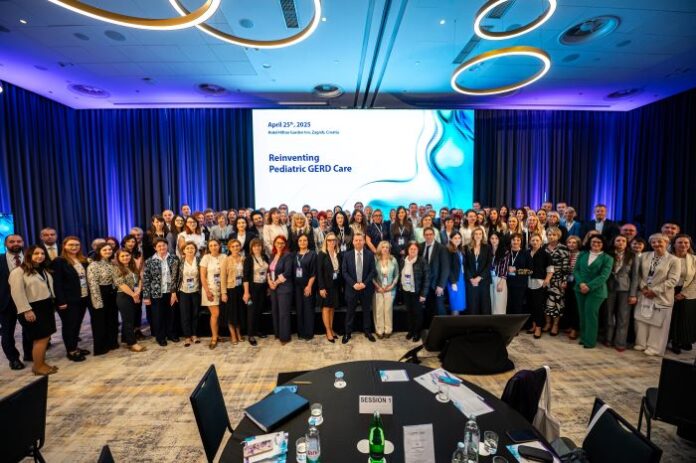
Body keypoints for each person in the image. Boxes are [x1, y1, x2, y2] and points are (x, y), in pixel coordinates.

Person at [629, 234, 681, 356]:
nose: (656, 244)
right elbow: (638, 275)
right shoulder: (644, 256)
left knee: (657, 323)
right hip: (644, 293)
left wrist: (654, 291)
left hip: (662, 296)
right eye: (653, 242)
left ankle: (654, 348)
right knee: (641, 320)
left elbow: (673, 280)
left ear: (667, 243)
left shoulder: (674, 260)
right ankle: (641, 343)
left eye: (659, 241)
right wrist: (644, 288)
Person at [9, 246, 58, 375]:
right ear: (29, 255)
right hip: (32, 308)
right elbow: (17, 293)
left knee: (45, 337)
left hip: (45, 307)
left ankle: (41, 363)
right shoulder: (18, 272)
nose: (40, 256)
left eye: (42, 253)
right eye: (36, 253)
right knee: (40, 339)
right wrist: (26, 310)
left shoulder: (42, 269)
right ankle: (38, 367)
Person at [52, 236, 91, 362]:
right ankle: (71, 350)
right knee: (69, 325)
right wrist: (61, 301)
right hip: (68, 300)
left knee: (77, 324)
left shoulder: (83, 260)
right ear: (64, 246)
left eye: (77, 245)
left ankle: (75, 346)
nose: (74, 247)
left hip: (83, 297)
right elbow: (57, 283)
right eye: (71, 245)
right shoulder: (59, 261)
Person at [573, 235, 614, 348]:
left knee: (591, 315)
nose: (596, 244)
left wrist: (589, 286)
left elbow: (604, 276)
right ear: (589, 243)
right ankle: (583, 338)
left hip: (597, 291)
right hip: (580, 288)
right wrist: (581, 283)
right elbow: (576, 270)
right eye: (593, 242)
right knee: (582, 314)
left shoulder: (608, 258)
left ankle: (590, 342)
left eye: (599, 242)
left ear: (603, 244)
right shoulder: (582, 254)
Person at [0, 234, 32, 370]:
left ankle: (29, 354)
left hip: (28, 301)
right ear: (5, 244)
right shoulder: (0, 259)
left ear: (23, 243)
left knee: (29, 330)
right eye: (12, 241)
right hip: (6, 303)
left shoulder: (31, 258)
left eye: (19, 241)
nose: (15, 243)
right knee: (7, 333)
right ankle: (13, 359)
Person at [143, 238, 180, 347]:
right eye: (159, 246)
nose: (162, 247)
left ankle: (171, 334)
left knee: (171, 315)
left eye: (164, 245)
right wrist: (146, 296)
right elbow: (146, 279)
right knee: (158, 316)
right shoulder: (149, 261)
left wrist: (174, 292)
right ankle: (161, 337)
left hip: (171, 292)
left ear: (167, 246)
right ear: (155, 248)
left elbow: (176, 277)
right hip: (156, 293)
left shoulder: (174, 258)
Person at [342, 232, 376, 343]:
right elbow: (344, 272)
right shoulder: (347, 255)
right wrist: (354, 284)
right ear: (353, 242)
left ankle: (368, 332)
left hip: (366, 288)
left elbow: (373, 271)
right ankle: (347, 333)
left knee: (366, 311)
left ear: (364, 241)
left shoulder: (370, 254)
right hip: (352, 288)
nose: (358, 242)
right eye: (356, 240)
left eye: (360, 240)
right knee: (350, 312)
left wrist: (364, 283)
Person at [604, 234, 635, 352]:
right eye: (618, 240)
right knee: (608, 314)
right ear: (614, 242)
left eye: (623, 241)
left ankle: (620, 342)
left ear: (626, 243)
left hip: (625, 289)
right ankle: (608, 339)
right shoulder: (608, 254)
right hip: (609, 287)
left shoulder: (632, 255)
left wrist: (633, 294)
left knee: (623, 316)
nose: (620, 242)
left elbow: (635, 276)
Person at [87, 243, 119, 354]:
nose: (108, 251)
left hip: (111, 293)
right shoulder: (93, 265)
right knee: (100, 322)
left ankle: (112, 343)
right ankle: (101, 347)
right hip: (99, 293)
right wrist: (97, 301)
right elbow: (93, 284)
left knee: (112, 320)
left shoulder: (111, 263)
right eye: (105, 250)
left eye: (109, 249)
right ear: (99, 251)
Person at [112, 249, 146, 352]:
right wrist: (133, 295)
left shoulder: (132, 266)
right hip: (124, 296)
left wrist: (138, 291)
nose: (125, 257)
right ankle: (132, 343)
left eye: (127, 255)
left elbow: (139, 279)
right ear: (118, 258)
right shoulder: (116, 269)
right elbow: (121, 284)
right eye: (122, 256)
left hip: (134, 294)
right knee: (128, 321)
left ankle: (126, 339)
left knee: (132, 319)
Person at [669, 234, 696, 354]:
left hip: (688, 292)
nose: (683, 245)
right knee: (673, 318)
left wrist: (684, 293)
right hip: (670, 290)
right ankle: (674, 341)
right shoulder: (667, 257)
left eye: (686, 242)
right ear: (674, 244)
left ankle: (685, 340)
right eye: (680, 242)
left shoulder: (694, 259)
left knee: (686, 317)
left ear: (689, 245)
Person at [400, 241, 430, 342]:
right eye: (411, 249)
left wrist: (423, 294)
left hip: (417, 292)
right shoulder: (403, 260)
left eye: (415, 249)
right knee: (409, 312)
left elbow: (427, 279)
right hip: (406, 290)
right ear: (407, 250)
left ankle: (417, 333)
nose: (413, 251)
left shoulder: (422, 261)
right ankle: (411, 331)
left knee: (418, 313)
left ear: (418, 250)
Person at [543, 227, 570, 336]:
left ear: (558, 236)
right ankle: (547, 323)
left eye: (553, 235)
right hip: (545, 279)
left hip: (558, 279)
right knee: (545, 302)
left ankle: (555, 325)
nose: (551, 236)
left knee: (557, 303)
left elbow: (566, 267)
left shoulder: (563, 248)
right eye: (549, 234)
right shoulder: (544, 247)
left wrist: (564, 280)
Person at [242, 238, 269, 346]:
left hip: (263, 288)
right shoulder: (249, 259)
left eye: (259, 246)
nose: (257, 248)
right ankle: (250, 335)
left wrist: (268, 287)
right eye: (255, 246)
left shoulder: (265, 257)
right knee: (251, 312)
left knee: (259, 310)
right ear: (251, 248)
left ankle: (257, 330)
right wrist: (246, 292)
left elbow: (268, 272)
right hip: (252, 289)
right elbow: (245, 277)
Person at [199, 239, 225, 349]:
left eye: (215, 245)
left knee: (219, 314)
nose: (213, 247)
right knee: (215, 314)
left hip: (222, 289)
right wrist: (207, 291)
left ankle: (217, 335)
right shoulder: (206, 258)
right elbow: (202, 276)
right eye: (211, 245)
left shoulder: (224, 257)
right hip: (210, 290)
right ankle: (214, 337)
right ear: (208, 247)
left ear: (219, 246)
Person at [420, 226, 450, 321]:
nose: (428, 236)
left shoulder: (441, 248)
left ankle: (444, 327)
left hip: (436, 284)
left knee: (439, 308)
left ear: (434, 235)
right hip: (424, 285)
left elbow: (445, 268)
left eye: (430, 234)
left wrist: (441, 285)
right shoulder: (420, 247)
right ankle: (430, 328)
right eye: (426, 235)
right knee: (428, 308)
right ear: (424, 236)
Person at [527, 234, 553, 338]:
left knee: (538, 307)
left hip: (540, 283)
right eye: (533, 240)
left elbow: (550, 269)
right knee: (531, 305)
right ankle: (533, 325)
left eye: (537, 240)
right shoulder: (527, 253)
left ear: (541, 241)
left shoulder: (546, 254)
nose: (535, 242)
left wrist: (546, 280)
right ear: (530, 242)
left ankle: (538, 328)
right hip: (528, 283)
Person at [268, 235, 293, 344]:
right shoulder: (272, 255)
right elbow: (269, 270)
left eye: (282, 243)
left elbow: (287, 272)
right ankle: (277, 334)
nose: (280, 245)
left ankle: (285, 337)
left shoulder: (288, 255)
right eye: (278, 243)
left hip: (284, 287)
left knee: (284, 313)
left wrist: (276, 282)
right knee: (275, 311)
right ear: (274, 243)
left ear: (285, 244)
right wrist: (270, 282)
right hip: (273, 288)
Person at [317, 232, 340, 343]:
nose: (331, 242)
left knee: (332, 308)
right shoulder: (322, 254)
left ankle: (331, 328)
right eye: (329, 240)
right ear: (326, 241)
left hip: (335, 286)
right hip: (325, 287)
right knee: (326, 308)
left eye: (333, 240)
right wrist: (321, 287)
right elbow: (319, 272)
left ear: (336, 242)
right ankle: (328, 331)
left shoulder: (338, 254)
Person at [372, 240, 399, 339]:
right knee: (378, 310)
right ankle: (379, 330)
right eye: (383, 247)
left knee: (388, 310)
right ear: (380, 248)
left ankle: (388, 330)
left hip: (390, 289)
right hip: (378, 289)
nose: (385, 249)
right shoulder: (375, 259)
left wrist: (392, 285)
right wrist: (377, 286)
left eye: (387, 247)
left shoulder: (393, 260)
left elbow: (397, 274)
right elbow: (371, 276)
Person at [293, 234, 317, 341]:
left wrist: (309, 286)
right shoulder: (295, 255)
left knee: (308, 309)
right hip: (297, 287)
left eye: (305, 240)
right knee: (299, 309)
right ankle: (301, 333)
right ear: (297, 242)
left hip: (308, 285)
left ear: (308, 242)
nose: (302, 242)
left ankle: (308, 333)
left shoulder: (312, 254)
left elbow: (314, 272)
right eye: (300, 240)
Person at [221, 239, 245, 345]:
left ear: (240, 247)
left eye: (237, 246)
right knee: (231, 314)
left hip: (241, 289)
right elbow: (222, 277)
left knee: (239, 313)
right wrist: (223, 293)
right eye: (233, 246)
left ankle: (239, 333)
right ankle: (233, 335)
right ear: (229, 248)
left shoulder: (243, 259)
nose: (235, 248)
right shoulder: (226, 260)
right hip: (230, 289)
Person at [177, 242, 201, 347]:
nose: (190, 250)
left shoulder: (199, 260)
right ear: (183, 250)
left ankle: (194, 334)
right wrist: (173, 292)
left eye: (192, 248)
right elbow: (175, 277)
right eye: (187, 248)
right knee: (185, 314)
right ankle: (187, 336)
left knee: (195, 313)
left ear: (195, 250)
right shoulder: (180, 262)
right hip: (184, 291)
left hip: (196, 291)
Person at [464, 227, 492, 315]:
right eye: (476, 234)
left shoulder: (487, 247)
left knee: (485, 306)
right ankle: (472, 323)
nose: (478, 236)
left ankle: (485, 323)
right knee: (472, 307)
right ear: (473, 235)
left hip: (483, 281)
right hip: (471, 281)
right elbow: (465, 265)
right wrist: (471, 278)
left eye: (480, 234)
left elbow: (489, 265)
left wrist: (479, 277)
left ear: (483, 235)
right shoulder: (466, 247)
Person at [506, 233, 532, 318]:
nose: (515, 242)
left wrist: (516, 270)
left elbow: (530, 271)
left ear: (521, 241)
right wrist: (506, 269)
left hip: (520, 285)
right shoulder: (506, 253)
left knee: (518, 306)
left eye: (518, 240)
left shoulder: (526, 253)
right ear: (510, 241)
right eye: (513, 240)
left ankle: (517, 325)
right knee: (508, 306)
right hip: (506, 284)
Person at [563, 235, 582, 340]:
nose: (571, 244)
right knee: (568, 305)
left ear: (578, 244)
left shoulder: (581, 255)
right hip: (567, 281)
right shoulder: (566, 253)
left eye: (574, 242)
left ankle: (575, 329)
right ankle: (569, 325)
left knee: (576, 306)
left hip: (577, 282)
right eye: (569, 242)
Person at [489, 232, 510, 315]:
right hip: (490, 279)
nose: (494, 240)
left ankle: (500, 321)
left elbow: (505, 268)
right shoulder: (488, 250)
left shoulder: (505, 252)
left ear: (499, 239)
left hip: (500, 279)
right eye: (492, 238)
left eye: (496, 238)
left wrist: (501, 282)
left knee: (500, 303)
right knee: (492, 302)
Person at [447, 231, 467, 315]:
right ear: (451, 239)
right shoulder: (448, 250)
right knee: (455, 304)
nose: (457, 240)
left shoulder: (460, 249)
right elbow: (448, 267)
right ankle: (454, 321)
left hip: (461, 279)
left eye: (459, 238)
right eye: (455, 238)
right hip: (454, 280)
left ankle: (458, 321)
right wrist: (453, 282)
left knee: (460, 303)